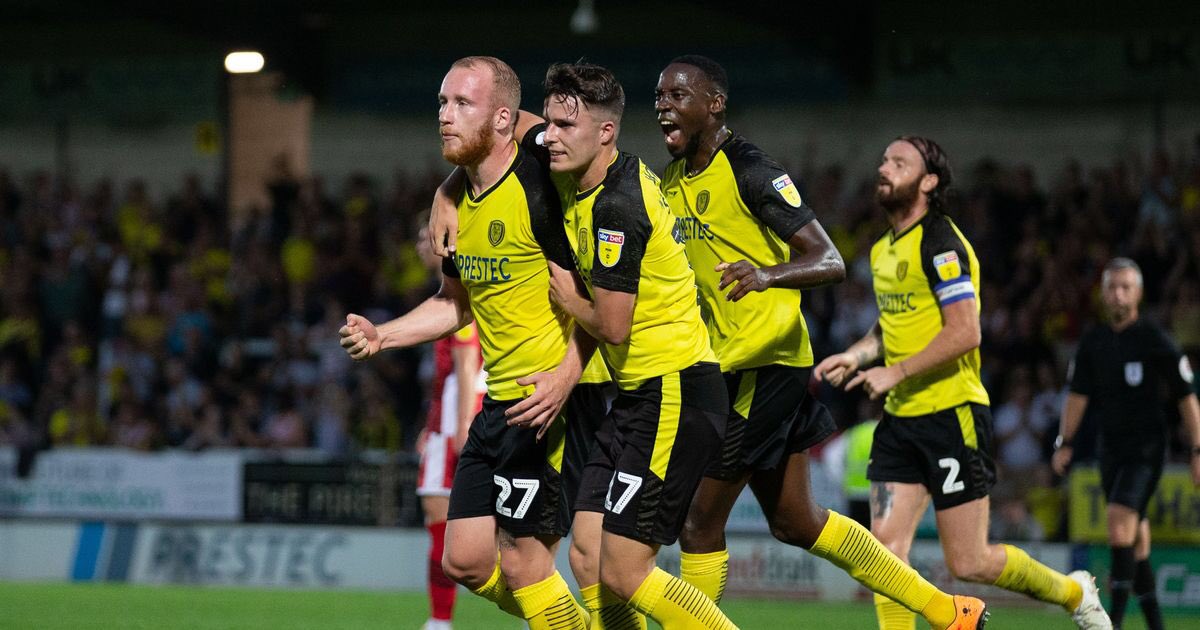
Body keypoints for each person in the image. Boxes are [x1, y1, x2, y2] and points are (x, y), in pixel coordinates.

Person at [656, 56, 985, 630]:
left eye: (678, 94)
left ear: (714, 104)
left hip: (765, 364)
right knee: (797, 522)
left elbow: (828, 258)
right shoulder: (673, 180)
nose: (663, 104)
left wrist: (766, 273)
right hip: (725, 365)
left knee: (699, 525)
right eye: (658, 95)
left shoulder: (752, 170)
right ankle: (947, 611)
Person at [814, 136, 1112, 630]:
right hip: (900, 418)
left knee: (969, 562)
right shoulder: (885, 249)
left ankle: (1074, 591)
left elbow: (965, 331)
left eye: (899, 162)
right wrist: (858, 354)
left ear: (929, 181)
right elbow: (893, 323)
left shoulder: (941, 243)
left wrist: (895, 371)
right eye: (884, 159)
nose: (884, 167)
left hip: (952, 414)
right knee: (885, 555)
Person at [339, 56, 593, 629]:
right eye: (441, 104)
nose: (445, 117)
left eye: (462, 104)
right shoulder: (457, 212)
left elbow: (596, 305)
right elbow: (455, 303)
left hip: (549, 402)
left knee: (533, 563)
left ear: (504, 119)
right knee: (465, 561)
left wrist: (565, 378)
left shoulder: (542, 188)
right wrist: (384, 336)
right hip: (497, 406)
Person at [539, 61, 736, 629]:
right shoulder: (594, 166)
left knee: (625, 570)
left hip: (673, 391)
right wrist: (447, 193)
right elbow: (515, 127)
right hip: (637, 397)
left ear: (605, 132)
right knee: (586, 552)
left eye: (564, 126)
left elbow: (614, 325)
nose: (551, 135)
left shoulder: (617, 206)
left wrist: (567, 298)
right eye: (550, 122)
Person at [1052, 257, 1200, 630]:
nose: (1118, 294)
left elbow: (1187, 396)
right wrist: (1065, 441)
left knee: (1118, 522)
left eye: (1125, 287)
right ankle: (1156, 623)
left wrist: (1198, 450)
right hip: (1110, 449)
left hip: (1147, 449)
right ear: (1102, 294)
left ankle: (1111, 623)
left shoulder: (1154, 339)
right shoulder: (1094, 342)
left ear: (1139, 294)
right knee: (1137, 538)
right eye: (1112, 287)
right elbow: (1077, 396)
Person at [413, 226, 486, 630]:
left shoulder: (460, 294)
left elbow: (466, 360)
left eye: (428, 237)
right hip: (448, 416)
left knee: (442, 517)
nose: (422, 245)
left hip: (462, 418)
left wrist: (460, 426)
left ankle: (440, 621)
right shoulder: (450, 292)